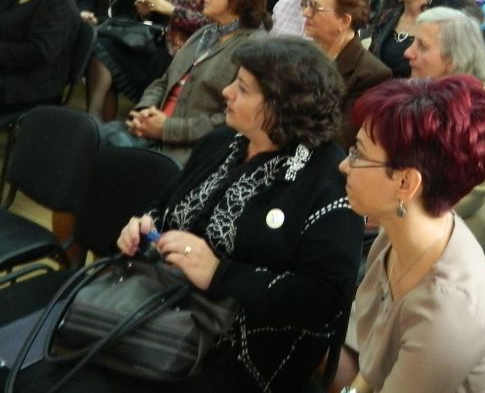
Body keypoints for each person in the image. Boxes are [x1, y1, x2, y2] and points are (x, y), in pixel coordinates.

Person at [115, 38, 363, 392]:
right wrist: (143, 226)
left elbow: (323, 298)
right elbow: (165, 205)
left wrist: (220, 273)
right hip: (162, 306)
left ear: (283, 106)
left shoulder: (328, 181)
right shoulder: (222, 141)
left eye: (243, 89)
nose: (226, 92)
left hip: (246, 349)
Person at [342, 76, 485, 393]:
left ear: (406, 183)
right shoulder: (399, 231)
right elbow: (373, 365)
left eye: (358, 154)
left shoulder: (448, 311)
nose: (344, 165)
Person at [109, 0, 270, 162]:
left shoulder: (255, 48)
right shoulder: (204, 33)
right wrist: (143, 112)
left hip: (190, 152)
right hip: (151, 134)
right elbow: (164, 81)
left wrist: (167, 129)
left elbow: (231, 120)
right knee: (93, 140)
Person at [403, 6, 485, 246]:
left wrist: (406, 211)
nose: (408, 52)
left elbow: (476, 188)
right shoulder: (411, 92)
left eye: (422, 46)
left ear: (453, 59)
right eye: (412, 42)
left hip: (453, 231)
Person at [87, 0, 217, 118]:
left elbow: (210, 23)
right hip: (158, 41)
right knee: (103, 44)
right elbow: (159, 19)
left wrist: (172, 11)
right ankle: (96, 117)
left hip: (178, 55)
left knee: (104, 49)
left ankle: (95, 116)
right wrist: (145, 12)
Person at [302, 0, 390, 151]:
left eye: (316, 7)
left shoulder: (371, 75)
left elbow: (339, 140)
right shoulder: (304, 54)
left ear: (344, 21)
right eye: (307, 3)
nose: (306, 13)